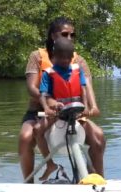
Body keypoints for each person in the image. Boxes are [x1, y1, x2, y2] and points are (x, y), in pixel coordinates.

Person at [19, 17, 105, 183]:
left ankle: (96, 182)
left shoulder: (79, 61)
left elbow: (87, 86)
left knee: (99, 137)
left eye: (73, 35)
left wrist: (93, 107)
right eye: (65, 34)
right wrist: (50, 102)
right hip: (41, 112)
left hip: (72, 113)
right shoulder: (36, 57)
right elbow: (32, 88)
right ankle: (28, 185)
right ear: (53, 36)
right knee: (25, 137)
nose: (70, 37)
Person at [36, 37, 89, 180]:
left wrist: (86, 107)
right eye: (61, 58)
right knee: (37, 131)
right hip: (58, 113)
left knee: (97, 137)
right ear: (54, 57)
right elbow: (43, 94)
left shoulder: (78, 70)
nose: (65, 61)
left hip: (76, 112)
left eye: (67, 58)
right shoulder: (48, 73)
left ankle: (90, 175)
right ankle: (50, 164)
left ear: (72, 57)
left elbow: (83, 89)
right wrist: (47, 107)